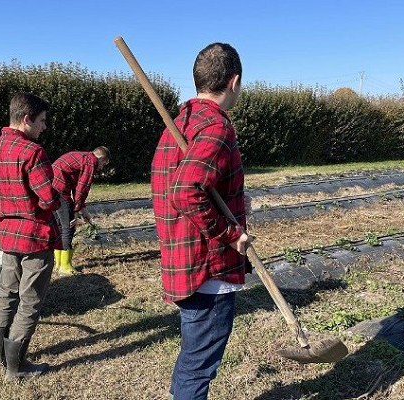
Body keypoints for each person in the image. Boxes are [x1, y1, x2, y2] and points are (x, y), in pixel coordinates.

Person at [150, 43, 251, 400]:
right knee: (197, 369)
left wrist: (236, 198)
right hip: (208, 269)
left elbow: (183, 188)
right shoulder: (216, 128)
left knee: (193, 363)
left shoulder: (179, 125)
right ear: (234, 81)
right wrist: (229, 234)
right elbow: (186, 191)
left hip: (184, 261)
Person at [0, 92, 61, 380]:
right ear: (26, 119)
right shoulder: (33, 152)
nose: (44, 127)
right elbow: (48, 198)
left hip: (8, 233)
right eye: (41, 121)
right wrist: (55, 199)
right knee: (30, 300)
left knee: (6, 292)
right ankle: (17, 367)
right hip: (35, 237)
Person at [51, 147, 110, 275]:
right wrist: (75, 213)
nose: (102, 167)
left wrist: (84, 211)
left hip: (52, 190)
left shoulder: (82, 158)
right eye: (104, 164)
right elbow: (82, 189)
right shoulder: (91, 162)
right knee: (68, 228)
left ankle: (58, 264)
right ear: (100, 158)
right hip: (60, 191)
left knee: (60, 227)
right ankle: (65, 267)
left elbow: (75, 185)